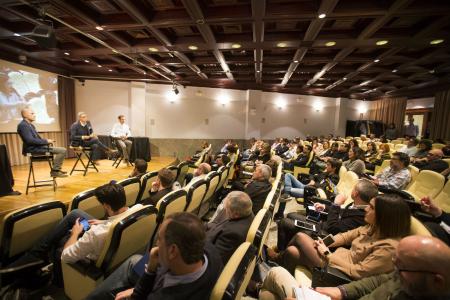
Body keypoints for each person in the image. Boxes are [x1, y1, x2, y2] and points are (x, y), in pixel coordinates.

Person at [6, 183, 141, 285]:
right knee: (75, 214)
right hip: (108, 230)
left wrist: (75, 234)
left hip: (94, 250)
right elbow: (115, 223)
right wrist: (103, 222)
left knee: (61, 242)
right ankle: (36, 254)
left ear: (106, 205)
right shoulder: (138, 209)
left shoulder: (95, 234)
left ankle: (54, 277)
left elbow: (66, 256)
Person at [263, 236, 450, 300]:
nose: (395, 271)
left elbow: (359, 272)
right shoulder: (409, 279)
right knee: (268, 295)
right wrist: (340, 291)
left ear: (437, 281)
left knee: (275, 274)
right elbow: (376, 281)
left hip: (339, 270)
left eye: (400, 269)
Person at [87, 212, 223, 300]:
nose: (156, 244)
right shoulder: (210, 251)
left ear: (172, 251)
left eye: (159, 239)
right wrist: (151, 268)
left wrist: (142, 283)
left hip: (152, 287)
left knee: (133, 262)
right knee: (134, 260)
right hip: (159, 275)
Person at [275, 194, 411, 276]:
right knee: (292, 251)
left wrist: (327, 254)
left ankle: (277, 258)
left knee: (300, 236)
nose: (367, 209)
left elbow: (358, 272)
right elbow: (344, 236)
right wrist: (324, 243)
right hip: (337, 258)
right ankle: (284, 274)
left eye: (372, 207)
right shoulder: (372, 227)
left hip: (340, 273)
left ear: (384, 216)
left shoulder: (389, 247)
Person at [274, 179, 378, 251]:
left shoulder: (362, 215)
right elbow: (341, 214)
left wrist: (336, 204)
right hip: (324, 225)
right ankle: (286, 245)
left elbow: (333, 229)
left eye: (354, 188)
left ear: (355, 193)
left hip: (324, 234)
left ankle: (280, 252)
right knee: (291, 215)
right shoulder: (357, 204)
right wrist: (326, 208)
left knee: (284, 222)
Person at [205, 191, 254, 264]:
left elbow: (214, 260)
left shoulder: (232, 234)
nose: (224, 210)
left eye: (226, 209)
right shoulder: (246, 212)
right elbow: (219, 225)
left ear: (236, 214)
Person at [17, 107, 67, 178]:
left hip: (37, 147)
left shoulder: (30, 125)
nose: (34, 115)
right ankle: (55, 171)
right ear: (25, 115)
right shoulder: (23, 125)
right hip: (32, 149)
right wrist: (46, 141)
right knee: (62, 150)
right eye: (32, 113)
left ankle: (56, 169)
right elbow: (30, 140)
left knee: (62, 149)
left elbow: (36, 139)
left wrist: (46, 141)